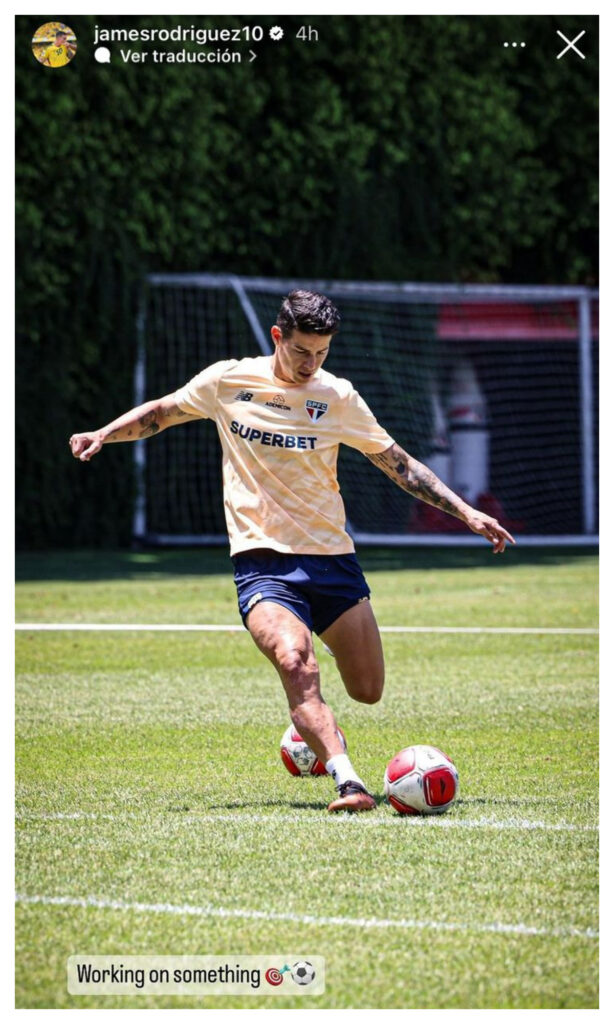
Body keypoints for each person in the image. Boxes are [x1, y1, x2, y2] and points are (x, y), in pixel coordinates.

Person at [69, 290, 514, 813]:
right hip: (263, 562)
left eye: (322, 353)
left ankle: (309, 721)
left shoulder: (338, 397)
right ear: (278, 337)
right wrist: (104, 433)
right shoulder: (228, 381)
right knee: (295, 661)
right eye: (303, 351)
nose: (312, 364)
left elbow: (400, 465)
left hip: (332, 561)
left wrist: (467, 512)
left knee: (368, 689)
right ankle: (347, 779)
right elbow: (162, 412)